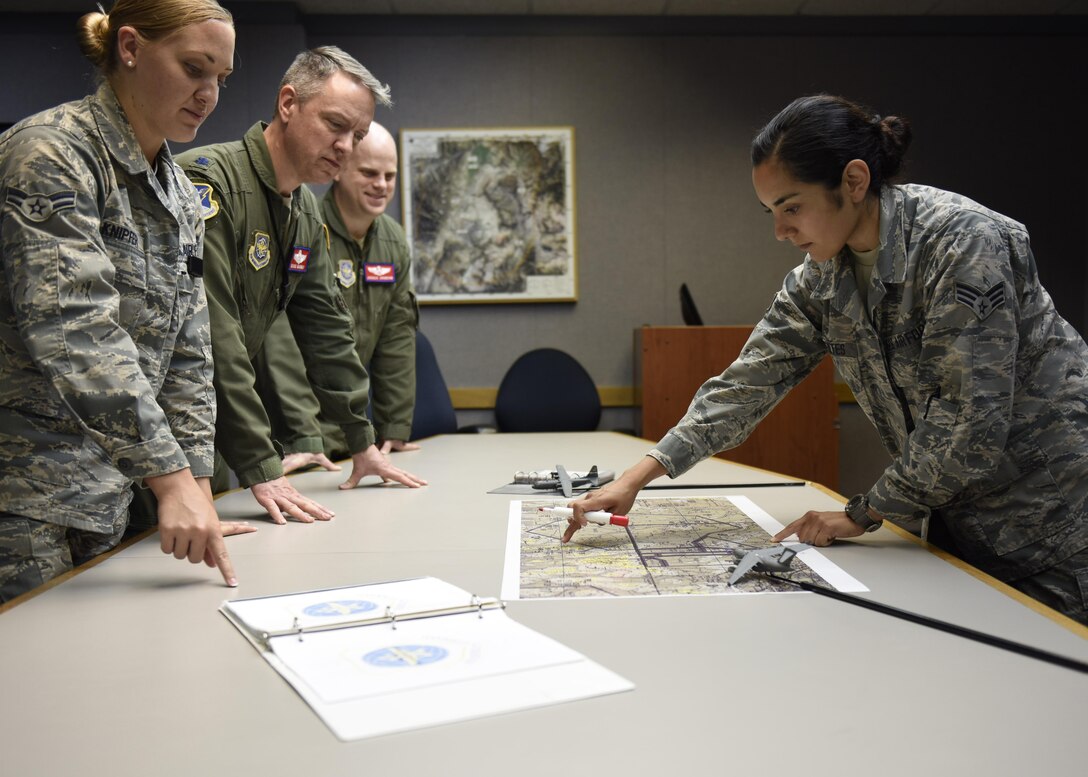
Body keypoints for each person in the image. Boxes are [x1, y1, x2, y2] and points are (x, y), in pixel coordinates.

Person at [567, 94, 1088, 625]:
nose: (780, 232)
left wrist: (862, 513)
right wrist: (639, 475)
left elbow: (969, 421)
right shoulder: (821, 278)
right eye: (771, 212)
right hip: (960, 522)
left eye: (792, 207)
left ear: (855, 181)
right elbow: (747, 384)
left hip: (1055, 526)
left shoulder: (962, 242)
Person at [0, 0, 249, 602]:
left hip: (115, 492)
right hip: (28, 499)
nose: (209, 93)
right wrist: (171, 480)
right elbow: (73, 328)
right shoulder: (52, 153)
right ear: (131, 48)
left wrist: (196, 486)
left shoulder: (179, 190)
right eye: (194, 68)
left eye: (221, 77)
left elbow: (188, 352)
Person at [177, 47, 427, 527]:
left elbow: (327, 330)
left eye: (356, 135)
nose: (346, 147)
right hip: (157, 430)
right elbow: (214, 337)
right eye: (335, 125)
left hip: (211, 434)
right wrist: (260, 464)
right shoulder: (210, 183)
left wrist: (362, 441)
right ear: (288, 104)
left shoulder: (303, 211)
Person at [253, 121, 420, 476]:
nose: (382, 185)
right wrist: (304, 436)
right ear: (340, 170)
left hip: (356, 428)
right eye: (369, 173)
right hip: (296, 429)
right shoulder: (304, 224)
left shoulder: (392, 240)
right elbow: (280, 341)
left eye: (390, 176)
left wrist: (394, 428)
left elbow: (397, 338)